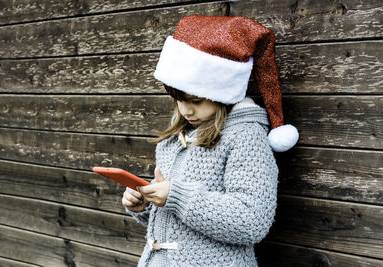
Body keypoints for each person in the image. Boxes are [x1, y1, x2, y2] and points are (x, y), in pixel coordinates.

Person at [122, 15, 299, 266]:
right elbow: (176, 221)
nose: (185, 111)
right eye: (178, 99)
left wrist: (176, 196)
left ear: (221, 93)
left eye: (196, 101)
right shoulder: (173, 142)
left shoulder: (245, 137)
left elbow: (251, 221)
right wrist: (146, 205)